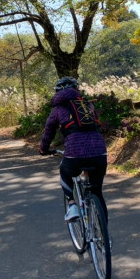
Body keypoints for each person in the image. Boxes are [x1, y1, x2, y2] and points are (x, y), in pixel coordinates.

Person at [39, 76, 108, 223]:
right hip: (100, 152)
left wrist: (44, 149)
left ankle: (72, 205)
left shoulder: (57, 110)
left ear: (57, 93)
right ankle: (104, 238)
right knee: (97, 192)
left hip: (74, 153)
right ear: (77, 90)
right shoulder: (88, 106)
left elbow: (48, 132)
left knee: (65, 171)